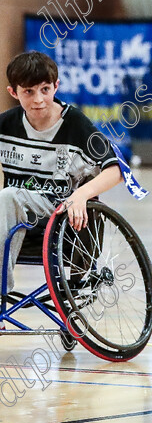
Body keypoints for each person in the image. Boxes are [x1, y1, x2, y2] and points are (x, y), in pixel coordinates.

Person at [0, 51, 122, 292]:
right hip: (15, 223)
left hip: (61, 218)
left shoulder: (75, 123)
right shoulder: (6, 124)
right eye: (28, 91)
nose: (38, 100)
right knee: (8, 198)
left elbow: (116, 170)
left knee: (8, 195)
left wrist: (81, 195)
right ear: (13, 92)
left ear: (56, 87)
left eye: (45, 89)